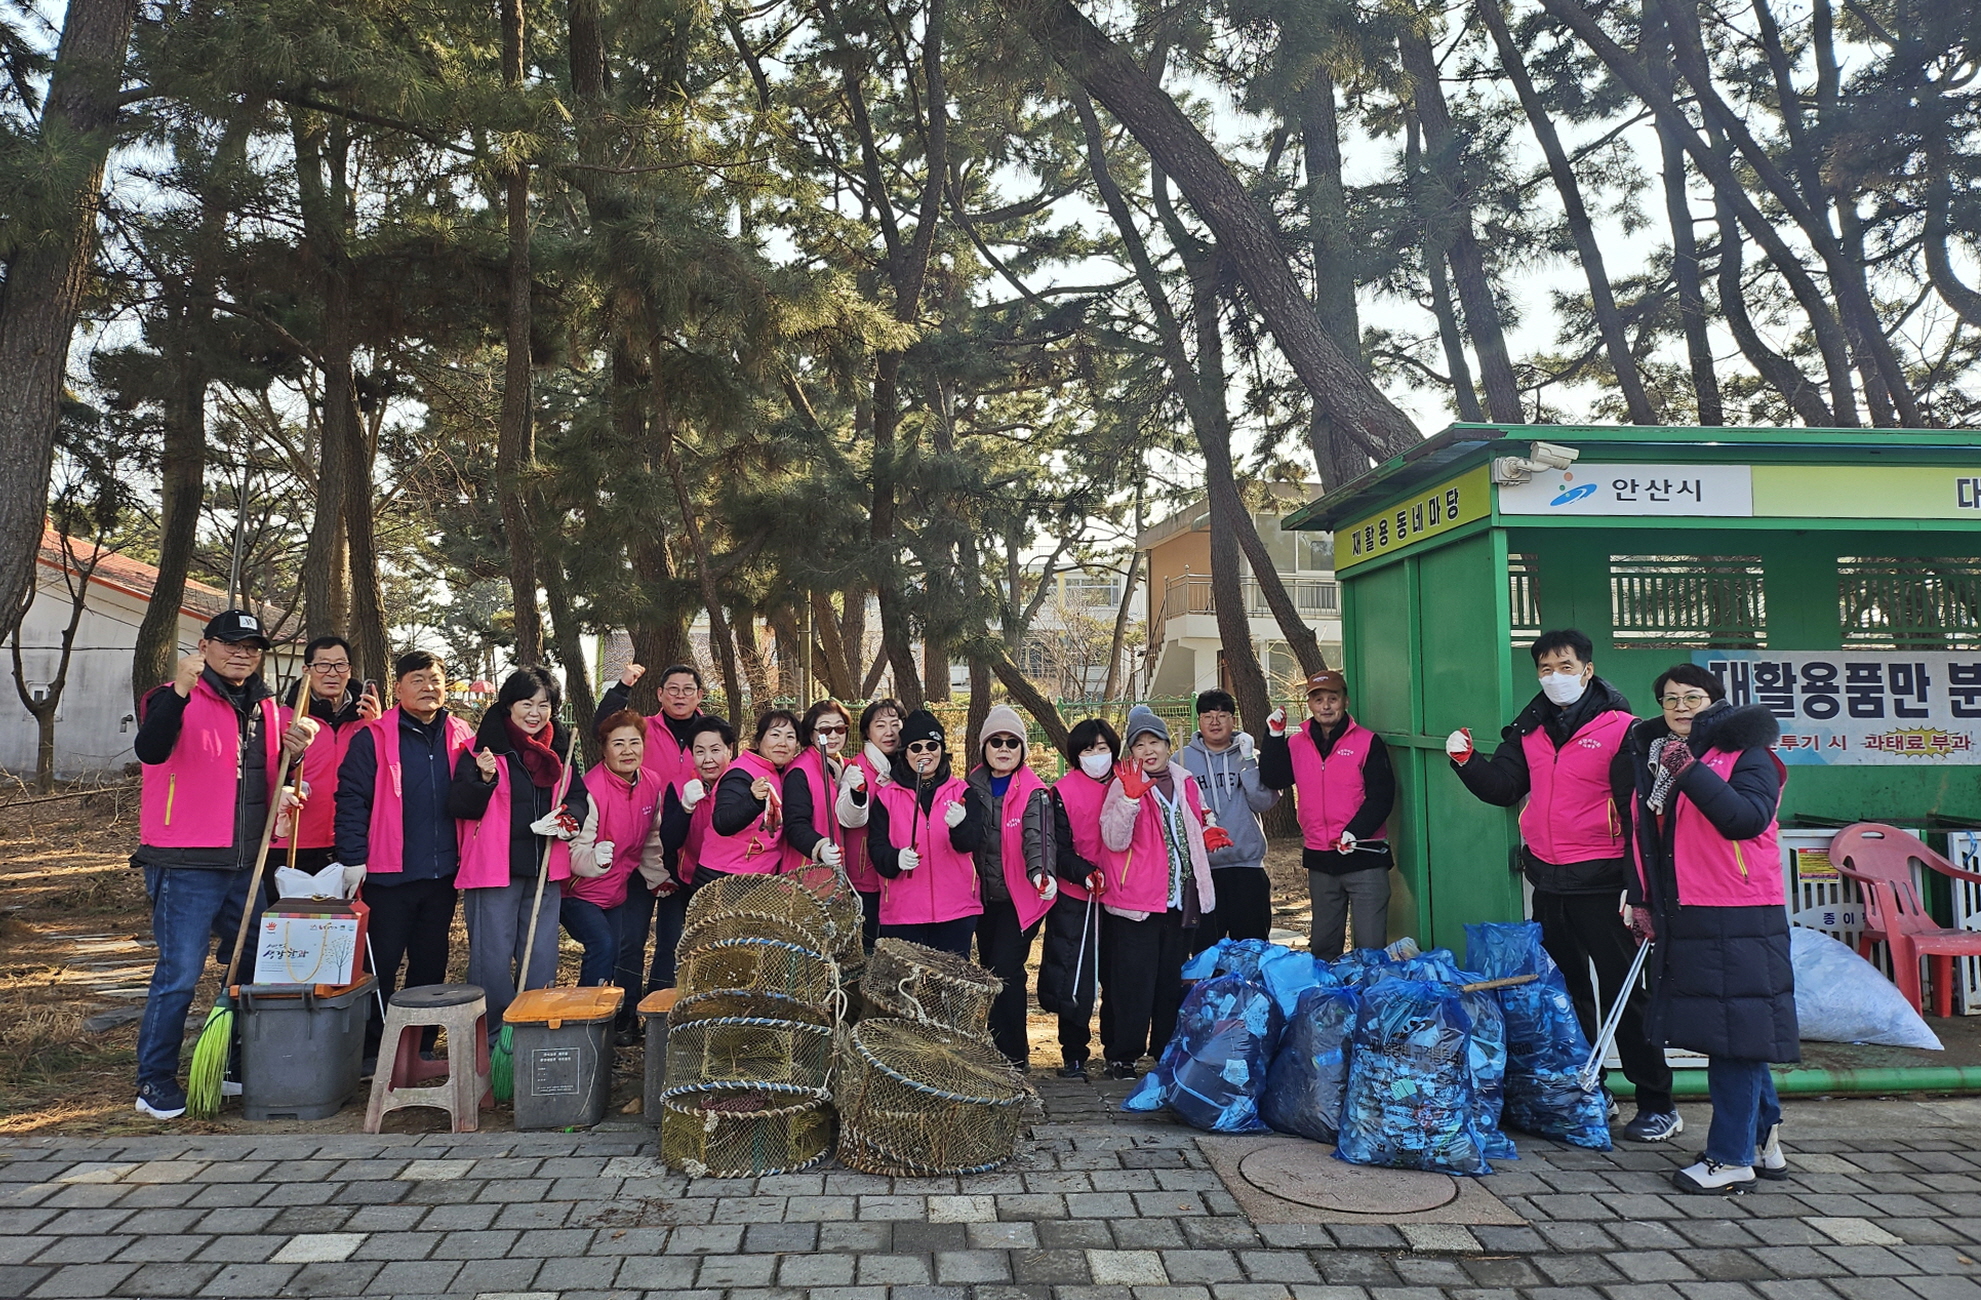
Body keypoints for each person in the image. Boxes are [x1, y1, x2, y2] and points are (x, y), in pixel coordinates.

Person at [1445, 628, 1678, 1142]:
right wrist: (1467, 763)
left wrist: (1638, 885)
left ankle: (1657, 1102)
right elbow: (1505, 788)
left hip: (1606, 882)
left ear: (1588, 670)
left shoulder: (1623, 729)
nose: (1556, 678)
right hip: (1550, 881)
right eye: (1546, 669)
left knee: (1625, 994)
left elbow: (1638, 813)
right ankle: (1592, 1089)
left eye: (1566, 667)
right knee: (1565, 997)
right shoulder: (1530, 730)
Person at [131, 609, 318, 1119]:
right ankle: (154, 1079)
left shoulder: (267, 709)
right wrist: (180, 691)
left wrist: (294, 762)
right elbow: (150, 751)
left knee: (253, 963)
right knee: (180, 972)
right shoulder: (170, 696)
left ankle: (229, 1060)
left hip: (247, 863)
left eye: (251, 647)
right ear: (204, 645)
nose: (242, 654)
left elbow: (267, 776)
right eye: (231, 644)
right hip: (185, 861)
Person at [1621, 664, 1796, 1195]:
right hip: (1690, 910)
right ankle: (1761, 1141)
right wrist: (1644, 900)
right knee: (1736, 1035)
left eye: (1692, 697)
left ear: (1716, 701)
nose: (1680, 707)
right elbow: (1647, 837)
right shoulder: (1658, 755)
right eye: (1669, 698)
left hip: (1738, 911)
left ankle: (1729, 1158)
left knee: (1733, 1039)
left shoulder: (1748, 753)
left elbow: (1744, 819)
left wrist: (1688, 770)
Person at [333, 650, 474, 1063]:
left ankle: (420, 1047)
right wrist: (352, 856)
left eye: (435, 680)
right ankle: (373, 1049)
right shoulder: (374, 737)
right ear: (398, 688)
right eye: (418, 680)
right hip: (388, 874)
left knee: (430, 963)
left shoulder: (462, 735)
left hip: (442, 873)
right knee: (381, 962)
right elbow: (351, 799)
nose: (428, 688)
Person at [447, 665, 590, 1032]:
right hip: (495, 869)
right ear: (508, 705)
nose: (535, 713)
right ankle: (493, 1035)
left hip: (544, 869)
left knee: (541, 957)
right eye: (527, 704)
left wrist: (567, 818)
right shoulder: (481, 750)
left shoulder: (560, 751)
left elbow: (578, 798)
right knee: (492, 959)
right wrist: (483, 779)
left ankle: (534, 1030)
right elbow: (460, 805)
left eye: (544, 705)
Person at [1097, 706, 1216, 1079]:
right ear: (1131, 752)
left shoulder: (1185, 780)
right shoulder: (1122, 784)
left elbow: (1200, 817)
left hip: (1181, 898)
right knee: (1134, 982)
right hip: (1138, 901)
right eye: (1139, 745)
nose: (1148, 751)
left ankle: (1165, 1049)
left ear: (1168, 745)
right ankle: (1123, 1054)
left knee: (1170, 980)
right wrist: (1130, 801)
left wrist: (1210, 831)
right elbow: (1113, 839)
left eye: (1155, 742)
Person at [590, 662, 707, 1008]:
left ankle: (658, 1011)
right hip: (639, 846)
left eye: (688, 690)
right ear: (659, 694)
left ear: (700, 695)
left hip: (687, 849)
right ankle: (626, 1011)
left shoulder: (709, 733)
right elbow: (603, 727)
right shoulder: (643, 729)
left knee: (674, 940)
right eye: (673, 689)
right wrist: (622, 687)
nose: (680, 696)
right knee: (631, 938)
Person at [1259, 670, 1395, 960]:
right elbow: (1274, 778)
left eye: (1333, 699)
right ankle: (1328, 990)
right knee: (1323, 947)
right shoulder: (1296, 743)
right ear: (1309, 704)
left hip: (1363, 855)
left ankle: (1368, 988)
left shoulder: (1367, 742)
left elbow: (1382, 797)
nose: (1326, 706)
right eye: (1318, 700)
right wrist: (1273, 736)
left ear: (1345, 701)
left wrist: (1355, 832)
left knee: (1370, 948)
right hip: (1320, 857)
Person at [967, 705, 1057, 1069]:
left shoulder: (1035, 791)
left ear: (1022, 749)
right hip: (981, 897)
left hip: (1020, 898)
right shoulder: (969, 787)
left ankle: (1014, 1056)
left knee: (1006, 970)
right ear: (984, 747)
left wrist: (1040, 873)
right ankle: (994, 1048)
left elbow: (1039, 838)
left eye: (1012, 742)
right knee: (989, 969)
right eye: (996, 742)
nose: (1004, 749)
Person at [1039, 718, 1122, 1079]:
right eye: (1088, 749)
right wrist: (1083, 872)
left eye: (1102, 748)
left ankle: (1118, 1051)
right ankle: (1073, 1053)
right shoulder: (1062, 791)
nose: (1096, 755)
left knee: (1118, 976)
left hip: (1123, 895)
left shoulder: (1127, 784)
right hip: (1077, 896)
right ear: (1076, 755)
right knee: (1074, 976)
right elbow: (1057, 847)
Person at [868, 710, 985, 956]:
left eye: (932, 745)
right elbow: (877, 849)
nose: (925, 752)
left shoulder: (963, 792)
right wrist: (895, 858)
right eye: (916, 747)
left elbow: (971, 842)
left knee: (951, 979)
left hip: (956, 911)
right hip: (903, 913)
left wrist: (960, 826)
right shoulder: (887, 797)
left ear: (941, 749)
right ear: (905, 753)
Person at [566, 711, 665, 991]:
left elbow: (651, 836)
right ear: (604, 748)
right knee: (602, 945)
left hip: (616, 891)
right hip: (577, 891)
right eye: (618, 744)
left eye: (634, 742)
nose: (627, 751)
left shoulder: (651, 783)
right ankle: (585, 1012)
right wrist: (594, 861)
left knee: (615, 957)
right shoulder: (591, 789)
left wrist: (658, 877)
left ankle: (608, 1013)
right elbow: (574, 851)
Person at [1176, 689, 1279, 950]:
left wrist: (1249, 761)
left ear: (1233, 720)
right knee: (1207, 953)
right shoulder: (1181, 760)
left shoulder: (1249, 754)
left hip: (1247, 867)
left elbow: (1263, 802)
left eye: (1222, 715)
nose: (1215, 722)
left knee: (1252, 949)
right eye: (1207, 715)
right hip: (1203, 871)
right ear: (1198, 720)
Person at [275, 635, 381, 872]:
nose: (332, 673)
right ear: (307, 670)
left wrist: (378, 728)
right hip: (290, 843)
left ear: (350, 670)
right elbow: (266, 775)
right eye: (323, 665)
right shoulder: (283, 718)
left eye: (340, 665)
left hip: (350, 843)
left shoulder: (366, 721)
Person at [701, 710, 807, 879]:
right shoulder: (741, 773)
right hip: (725, 875)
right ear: (759, 740)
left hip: (760, 873)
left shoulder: (783, 771)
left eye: (790, 737)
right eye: (775, 735)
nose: (782, 743)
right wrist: (753, 800)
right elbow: (722, 823)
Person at [836, 699, 906, 949]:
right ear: (867, 731)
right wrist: (857, 793)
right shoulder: (857, 769)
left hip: (901, 871)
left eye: (895, 724)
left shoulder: (907, 765)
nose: (889, 732)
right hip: (865, 873)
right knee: (868, 944)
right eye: (880, 725)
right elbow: (848, 818)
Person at [785, 700, 853, 873]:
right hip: (805, 870)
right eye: (825, 729)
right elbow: (795, 824)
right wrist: (819, 847)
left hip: (836, 868)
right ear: (811, 733)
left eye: (840, 729)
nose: (833, 736)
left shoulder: (844, 767)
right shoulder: (800, 771)